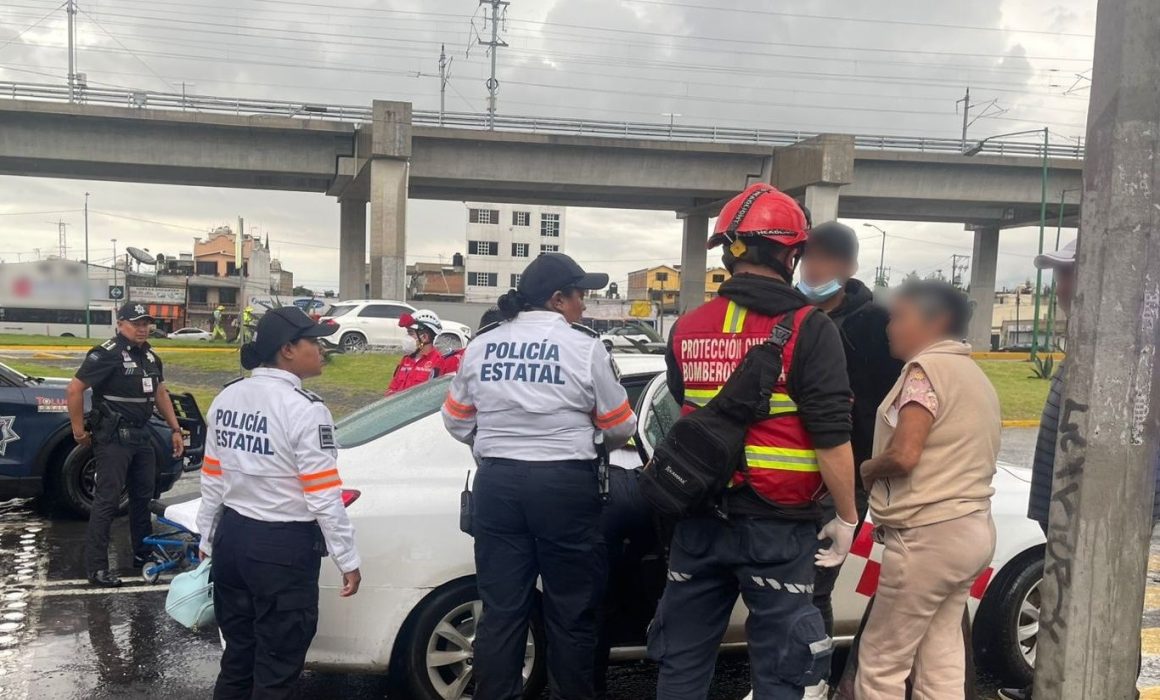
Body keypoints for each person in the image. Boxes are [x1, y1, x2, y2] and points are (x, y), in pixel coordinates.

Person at [652, 183, 857, 699]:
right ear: (790, 253)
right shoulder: (812, 329)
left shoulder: (687, 327)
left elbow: (682, 401)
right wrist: (848, 518)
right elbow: (832, 438)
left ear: (728, 253)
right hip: (777, 529)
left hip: (698, 519)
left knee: (682, 661)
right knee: (783, 671)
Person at [442, 253, 637, 700]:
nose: (584, 306)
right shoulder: (584, 346)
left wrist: (495, 442)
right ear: (557, 299)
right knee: (572, 612)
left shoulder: (483, 343)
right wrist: (587, 443)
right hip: (565, 488)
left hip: (498, 485)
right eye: (580, 296)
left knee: (503, 611)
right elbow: (621, 424)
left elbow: (455, 420)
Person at [196, 306, 362, 699]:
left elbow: (213, 480)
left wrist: (207, 539)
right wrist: (348, 559)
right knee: (277, 669)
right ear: (288, 349)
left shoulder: (227, 397)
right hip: (281, 550)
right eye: (315, 342)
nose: (323, 349)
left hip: (232, 542)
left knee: (237, 659)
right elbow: (323, 495)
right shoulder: (306, 409)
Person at [854, 280, 1001, 700]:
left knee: (882, 662)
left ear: (936, 321)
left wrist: (866, 469)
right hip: (972, 532)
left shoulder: (924, 372)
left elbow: (904, 455)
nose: (889, 327)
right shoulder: (973, 374)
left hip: (926, 536)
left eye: (899, 316)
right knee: (941, 656)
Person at [797, 221, 904, 637]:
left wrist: (870, 472)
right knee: (781, 592)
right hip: (786, 472)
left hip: (843, 473)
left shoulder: (877, 324)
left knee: (811, 589)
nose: (814, 268)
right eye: (808, 258)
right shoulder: (789, 313)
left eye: (826, 259)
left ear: (850, 265)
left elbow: (897, 401)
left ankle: (809, 683)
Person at [67, 302, 185, 588]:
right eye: (136, 323)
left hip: (141, 436)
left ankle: (142, 553)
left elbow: (160, 393)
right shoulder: (106, 354)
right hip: (113, 439)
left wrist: (175, 428)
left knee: (142, 498)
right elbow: (74, 388)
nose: (143, 328)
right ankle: (97, 569)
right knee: (107, 501)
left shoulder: (151, 358)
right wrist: (78, 430)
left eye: (146, 323)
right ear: (121, 324)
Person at [385, 309, 450, 395]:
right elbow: (392, 388)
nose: (407, 337)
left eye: (411, 333)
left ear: (425, 337)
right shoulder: (406, 360)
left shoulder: (438, 362)